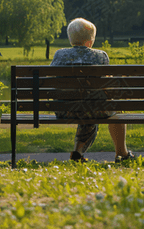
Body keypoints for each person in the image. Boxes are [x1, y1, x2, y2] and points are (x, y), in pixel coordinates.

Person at [50, 18, 136, 163]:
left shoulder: (59, 55)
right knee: (108, 108)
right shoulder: (100, 56)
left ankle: (77, 153)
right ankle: (122, 154)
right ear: (90, 41)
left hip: (64, 110)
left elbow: (52, 81)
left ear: (70, 39)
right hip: (93, 109)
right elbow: (106, 87)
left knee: (86, 106)